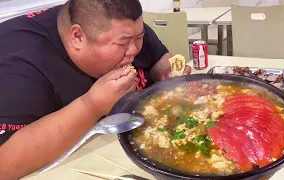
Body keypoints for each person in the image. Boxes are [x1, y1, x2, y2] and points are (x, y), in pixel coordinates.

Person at [0, 0, 191, 179]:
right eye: (122, 44)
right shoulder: (21, 66)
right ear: (77, 37)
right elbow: (4, 164)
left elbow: (160, 58)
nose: (134, 50)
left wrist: (167, 74)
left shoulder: (124, 26)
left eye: (139, 38)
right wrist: (91, 106)